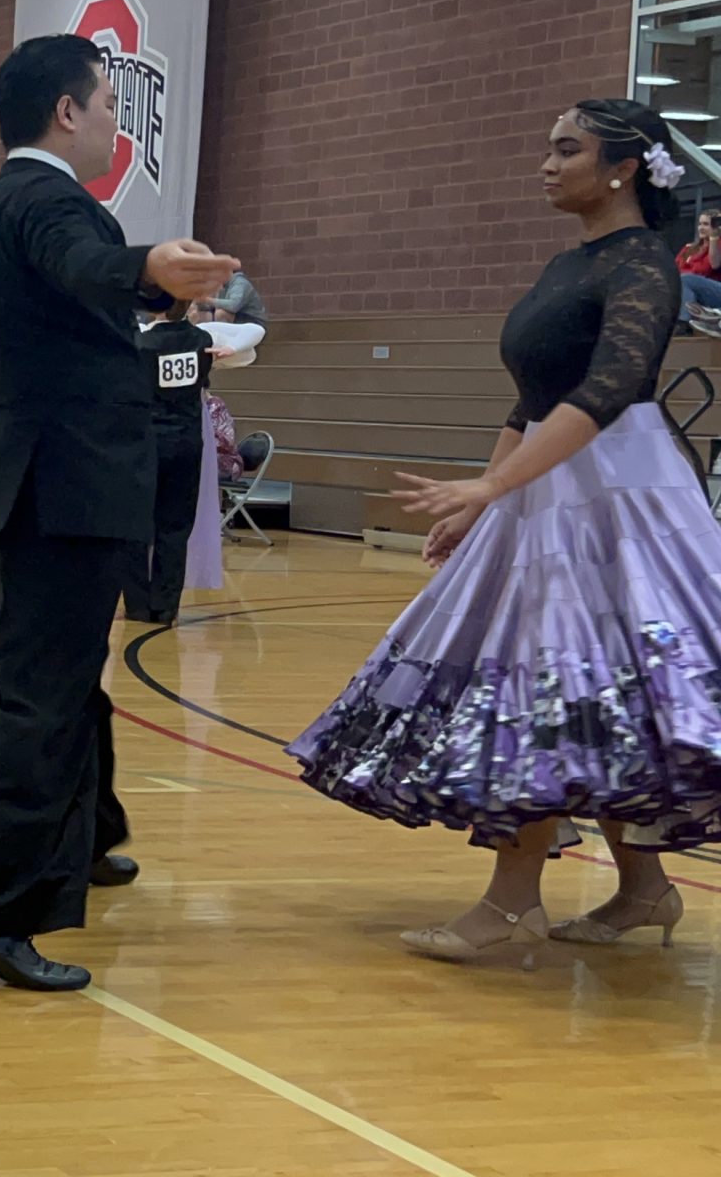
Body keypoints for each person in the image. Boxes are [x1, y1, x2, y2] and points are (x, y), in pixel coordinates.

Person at [291, 99, 721, 961]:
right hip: (549, 486)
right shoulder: (570, 263)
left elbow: (610, 390)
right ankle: (644, 889)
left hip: (618, 497)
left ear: (623, 168)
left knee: (549, 687)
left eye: (567, 149)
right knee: (598, 694)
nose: (546, 164)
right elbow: (532, 399)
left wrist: (495, 484)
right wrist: (484, 501)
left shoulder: (644, 262)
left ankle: (513, 902)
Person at [0, 33, 239, 993]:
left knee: (69, 685)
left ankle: (85, 836)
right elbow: (82, 263)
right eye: (107, 104)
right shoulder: (44, 199)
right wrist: (149, 264)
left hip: (43, 484)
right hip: (55, 489)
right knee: (42, 701)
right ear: (66, 111)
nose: (114, 122)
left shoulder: (11, 202)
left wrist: (138, 271)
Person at [122, 302, 265, 625]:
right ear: (188, 307)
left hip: (144, 446)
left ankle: (138, 605)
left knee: (135, 525)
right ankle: (166, 606)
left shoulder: (139, 341)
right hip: (186, 444)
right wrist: (232, 349)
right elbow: (255, 331)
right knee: (175, 527)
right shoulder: (202, 339)